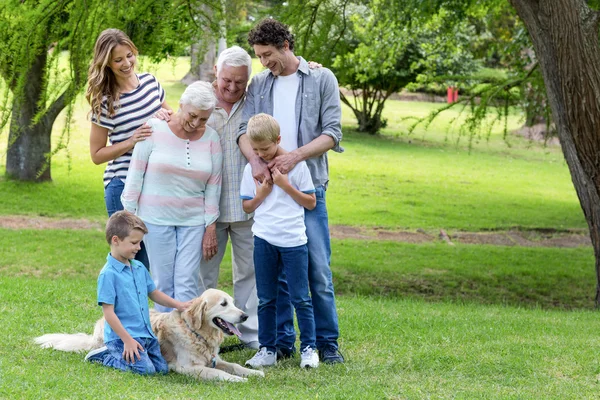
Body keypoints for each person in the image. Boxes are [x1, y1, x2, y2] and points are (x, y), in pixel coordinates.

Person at [237, 18, 345, 363]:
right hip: (270, 189)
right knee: (276, 273)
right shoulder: (259, 84)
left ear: (285, 44)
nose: (264, 61)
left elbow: (332, 134)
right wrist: (255, 161)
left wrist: (293, 158)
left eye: (267, 54)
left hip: (307, 184)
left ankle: (327, 344)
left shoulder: (321, 79)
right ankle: (282, 344)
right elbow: (244, 128)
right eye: (259, 55)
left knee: (318, 270)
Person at [121, 81, 222, 312]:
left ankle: (185, 339)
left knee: (187, 282)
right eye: (192, 115)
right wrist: (129, 217)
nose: (196, 123)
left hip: (194, 221)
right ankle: (166, 341)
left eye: (203, 119)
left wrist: (210, 227)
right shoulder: (154, 128)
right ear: (181, 105)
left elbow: (214, 186)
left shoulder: (212, 139)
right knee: (163, 282)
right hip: (155, 218)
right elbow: (135, 174)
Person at [87, 28, 172, 270]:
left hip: (155, 184)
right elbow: (96, 155)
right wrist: (131, 140)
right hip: (123, 186)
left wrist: (165, 115)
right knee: (136, 263)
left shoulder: (150, 83)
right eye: (118, 60)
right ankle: (125, 308)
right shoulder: (105, 102)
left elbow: (172, 120)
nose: (126, 63)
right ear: (107, 63)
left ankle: (149, 309)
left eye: (129, 55)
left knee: (155, 264)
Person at [240, 114, 319, 369]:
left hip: (293, 240)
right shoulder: (252, 169)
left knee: (300, 298)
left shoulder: (297, 167)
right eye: (255, 149)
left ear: (278, 140)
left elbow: (311, 202)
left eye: (266, 148)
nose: (261, 154)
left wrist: (285, 185)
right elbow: (247, 206)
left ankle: (309, 348)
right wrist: (262, 193)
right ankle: (267, 349)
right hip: (264, 238)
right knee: (266, 298)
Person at [198, 46, 259, 349]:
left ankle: (248, 337)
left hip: (247, 204)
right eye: (227, 81)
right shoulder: (201, 100)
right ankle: (203, 335)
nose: (233, 88)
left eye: (240, 82)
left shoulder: (256, 100)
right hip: (208, 208)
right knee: (204, 273)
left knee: (249, 273)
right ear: (215, 72)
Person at [84, 210, 191, 375]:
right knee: (145, 371)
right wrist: (127, 340)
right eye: (134, 243)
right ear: (116, 240)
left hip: (145, 335)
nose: (139, 247)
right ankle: (105, 355)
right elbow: (108, 313)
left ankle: (136, 354)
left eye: (140, 242)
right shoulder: (108, 274)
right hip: (122, 338)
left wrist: (178, 305)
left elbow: (154, 293)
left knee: (162, 370)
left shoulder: (139, 267)